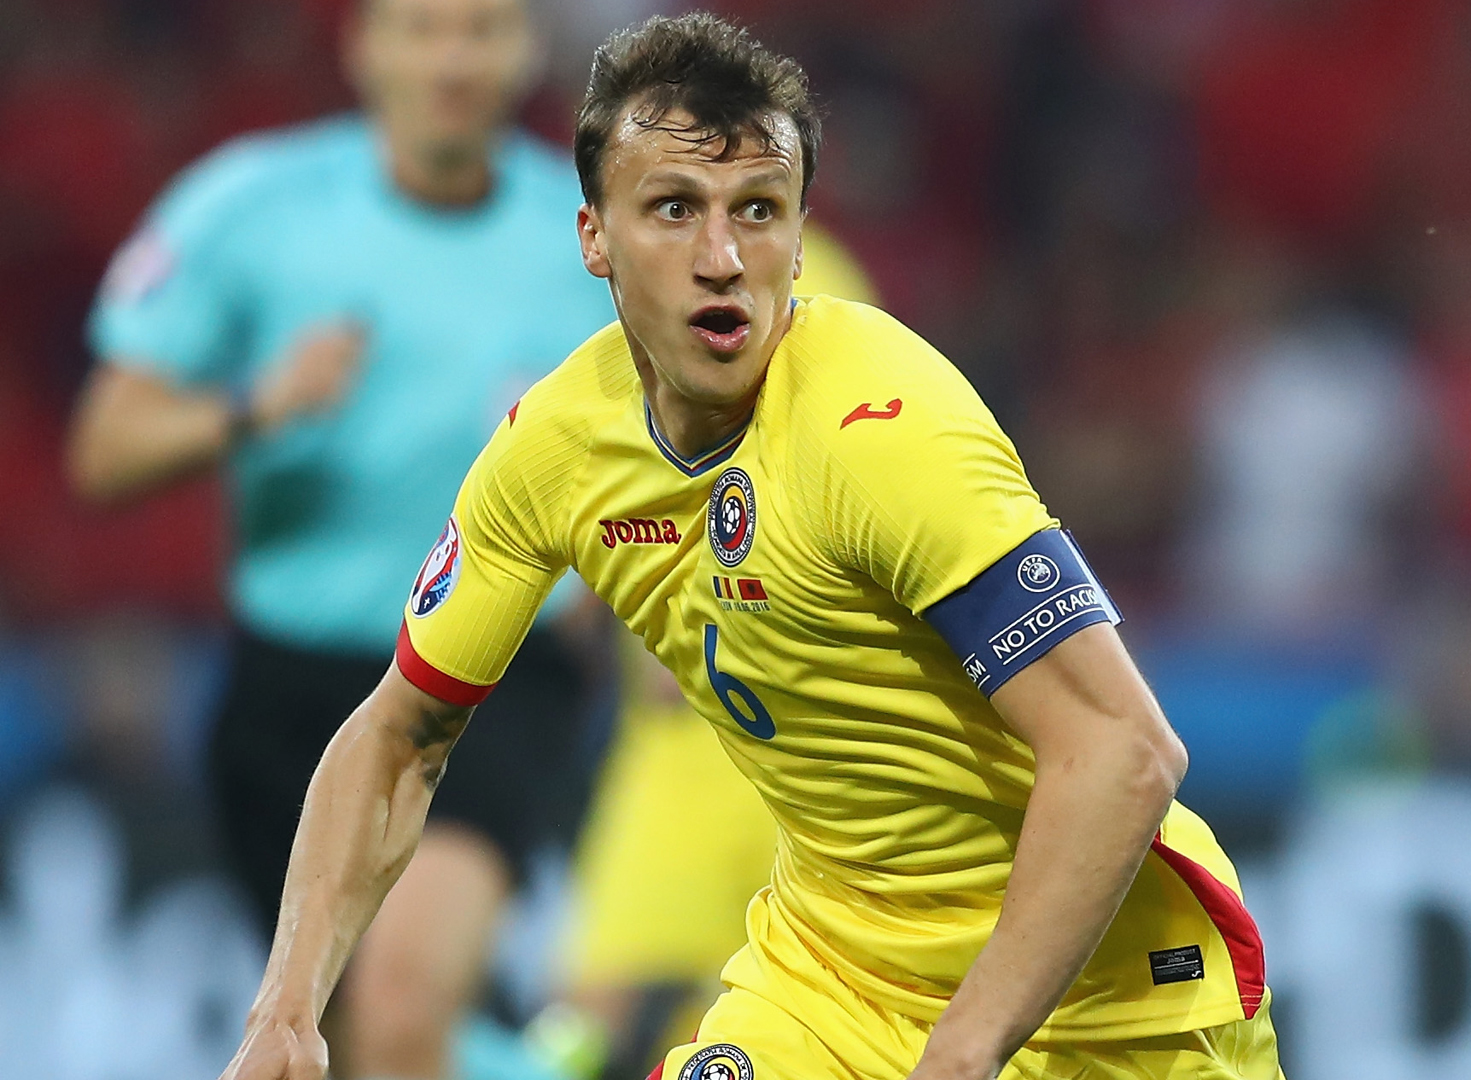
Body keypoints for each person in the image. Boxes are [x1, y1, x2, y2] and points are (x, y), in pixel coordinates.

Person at [219, 12, 1282, 1080]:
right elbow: (399, 735)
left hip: (1104, 1002)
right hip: (833, 984)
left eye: (759, 211)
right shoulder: (557, 449)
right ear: (593, 237)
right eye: (674, 209)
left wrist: (962, 1052)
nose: (722, 259)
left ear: (801, 236)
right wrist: (287, 1009)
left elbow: (1122, 749)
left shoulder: (879, 423)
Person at [67, 0, 611, 1077]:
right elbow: (103, 448)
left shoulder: (591, 239)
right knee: (348, 1039)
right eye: (423, 28)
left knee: (401, 1005)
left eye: (482, 29)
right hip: (291, 685)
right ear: (365, 47)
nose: (452, 59)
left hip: (493, 675)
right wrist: (254, 409)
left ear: (527, 52)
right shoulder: (250, 207)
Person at [542, 228, 879, 1080]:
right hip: (683, 744)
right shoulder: (623, 279)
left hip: (800, 746)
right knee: (592, 1027)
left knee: (786, 1024)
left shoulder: (822, 285)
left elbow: (845, 466)